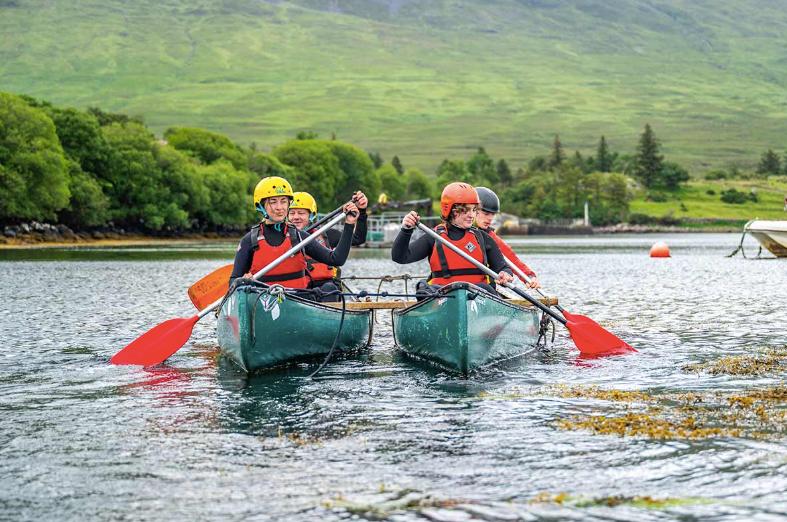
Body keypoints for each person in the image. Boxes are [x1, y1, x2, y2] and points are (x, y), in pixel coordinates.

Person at [230, 176, 360, 302]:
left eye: (283, 201)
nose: (279, 207)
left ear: (288, 204)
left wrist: (349, 224)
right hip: (263, 301)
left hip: (298, 300)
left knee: (329, 289)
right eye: (273, 202)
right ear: (261, 206)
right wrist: (241, 282)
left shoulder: (299, 236)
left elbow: (336, 259)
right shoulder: (249, 240)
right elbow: (233, 282)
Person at [391, 182, 513, 299]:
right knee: (425, 289)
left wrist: (505, 274)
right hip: (444, 296)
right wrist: (406, 230)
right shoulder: (433, 237)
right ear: (451, 210)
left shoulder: (482, 238)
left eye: (474, 210)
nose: (471, 215)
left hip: (479, 296)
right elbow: (400, 257)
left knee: (485, 288)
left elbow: (503, 267)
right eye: (466, 210)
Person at [287, 190, 369, 300]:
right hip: (300, 289)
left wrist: (362, 212)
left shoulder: (327, 235)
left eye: (301, 213)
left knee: (329, 288)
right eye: (292, 213)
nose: (296, 217)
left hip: (326, 289)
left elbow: (359, 239)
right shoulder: (282, 238)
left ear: (311, 215)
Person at [474, 186, 540, 289]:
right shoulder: (445, 233)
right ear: (471, 210)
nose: (490, 218)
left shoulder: (490, 237)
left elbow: (512, 259)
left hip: (483, 289)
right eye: (486, 213)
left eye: (493, 214)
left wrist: (529, 276)